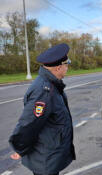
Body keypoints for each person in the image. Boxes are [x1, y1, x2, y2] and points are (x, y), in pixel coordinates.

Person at [9, 43, 76, 175]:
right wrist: (19, 147)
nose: (67, 68)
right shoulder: (44, 91)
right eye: (66, 64)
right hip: (45, 158)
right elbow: (29, 123)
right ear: (58, 68)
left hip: (49, 154)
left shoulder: (51, 84)